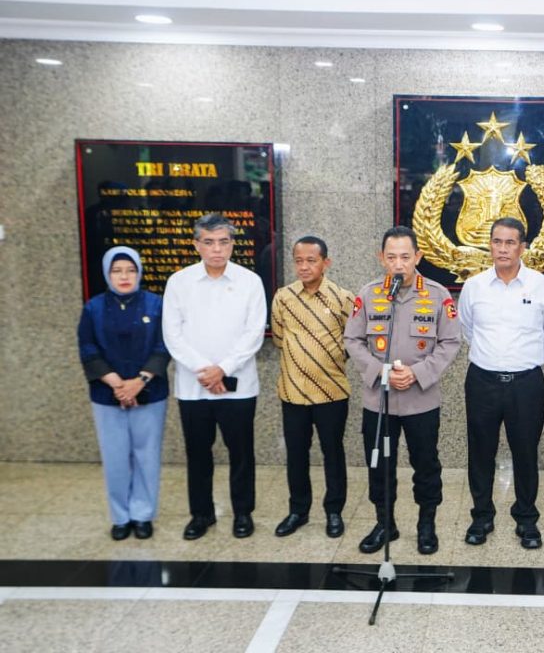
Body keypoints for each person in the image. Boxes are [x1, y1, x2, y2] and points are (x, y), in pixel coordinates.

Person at [343, 226, 461, 555]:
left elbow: (451, 342)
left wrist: (417, 373)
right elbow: (352, 339)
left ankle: (426, 524)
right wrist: (381, 372)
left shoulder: (438, 295)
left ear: (417, 257)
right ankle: (385, 523)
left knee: (426, 465)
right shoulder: (368, 294)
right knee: (379, 465)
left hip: (421, 400)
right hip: (378, 401)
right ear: (381, 258)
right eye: (391, 257)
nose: (399, 264)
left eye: (405, 257)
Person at [459, 217, 544, 549]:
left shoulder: (542, 286)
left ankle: (527, 519)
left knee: (526, 452)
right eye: (497, 241)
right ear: (490, 245)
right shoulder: (473, 286)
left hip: (526, 384)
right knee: (480, 452)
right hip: (482, 381)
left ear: (523, 247)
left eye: (510, 242)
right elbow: (467, 329)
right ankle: (481, 516)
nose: (502, 248)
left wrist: (524, 361)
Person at [163, 213, 267, 540]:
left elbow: (254, 332)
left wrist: (223, 368)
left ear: (232, 244)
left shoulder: (250, 282)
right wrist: (205, 371)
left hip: (239, 385)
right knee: (197, 454)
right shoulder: (179, 282)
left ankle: (243, 513)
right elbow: (172, 335)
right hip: (193, 386)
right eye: (209, 242)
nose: (217, 249)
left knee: (241, 453)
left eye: (223, 242)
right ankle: (201, 514)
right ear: (197, 245)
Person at [77, 246, 170, 540]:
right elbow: (87, 348)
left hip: (150, 391)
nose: (124, 276)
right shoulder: (93, 308)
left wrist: (139, 381)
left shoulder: (156, 304)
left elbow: (164, 345)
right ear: (107, 274)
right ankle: (120, 517)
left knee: (147, 456)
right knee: (115, 458)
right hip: (107, 396)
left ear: (139, 272)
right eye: (117, 271)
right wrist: (117, 383)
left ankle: (143, 515)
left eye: (130, 270)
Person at [270, 236, 356, 539]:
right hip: (293, 391)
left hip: (331, 392)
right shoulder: (283, 297)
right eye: (299, 261)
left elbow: (353, 340)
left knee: (333, 453)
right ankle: (298, 510)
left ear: (325, 263)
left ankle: (334, 511)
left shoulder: (343, 298)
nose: (304, 267)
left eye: (311, 260)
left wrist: (325, 360)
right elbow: (279, 339)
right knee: (296, 454)